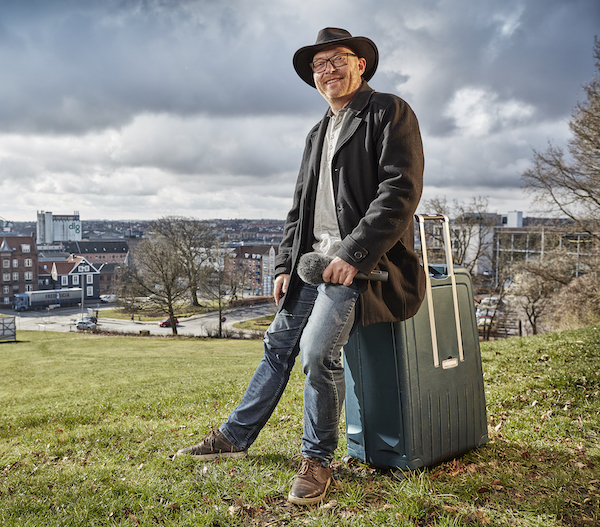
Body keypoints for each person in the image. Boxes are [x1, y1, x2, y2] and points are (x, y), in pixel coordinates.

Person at [176, 27, 426, 505]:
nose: (327, 70)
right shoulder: (317, 132)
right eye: (319, 65)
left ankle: (317, 462)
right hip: (310, 266)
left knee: (316, 353)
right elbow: (300, 208)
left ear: (361, 65)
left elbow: (399, 194)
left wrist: (352, 255)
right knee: (277, 347)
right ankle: (232, 438)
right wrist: (284, 266)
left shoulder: (389, 112)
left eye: (338, 60)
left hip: (360, 266)